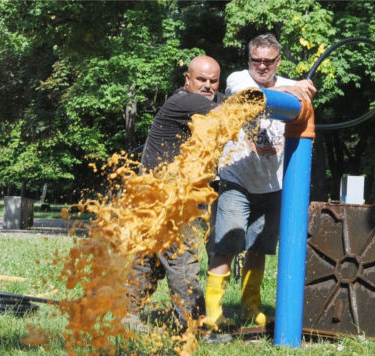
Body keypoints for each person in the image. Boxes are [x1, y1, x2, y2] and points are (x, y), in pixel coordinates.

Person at [203, 33, 316, 331]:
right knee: (227, 244)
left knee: (259, 249)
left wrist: (296, 90)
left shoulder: (289, 84)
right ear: (249, 60)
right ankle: (212, 312)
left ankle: (250, 309)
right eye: (257, 60)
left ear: (278, 61)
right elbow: (254, 98)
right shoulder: (239, 80)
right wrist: (294, 89)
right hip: (236, 180)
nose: (262, 66)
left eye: (268, 61)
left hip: (272, 185)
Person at [127, 55, 226, 332]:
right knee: (182, 259)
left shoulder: (205, 102)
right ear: (188, 80)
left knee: (149, 259)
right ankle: (193, 330)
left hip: (155, 196)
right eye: (201, 80)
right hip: (163, 198)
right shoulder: (185, 101)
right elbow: (231, 110)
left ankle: (127, 315)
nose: (208, 86)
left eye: (213, 81)